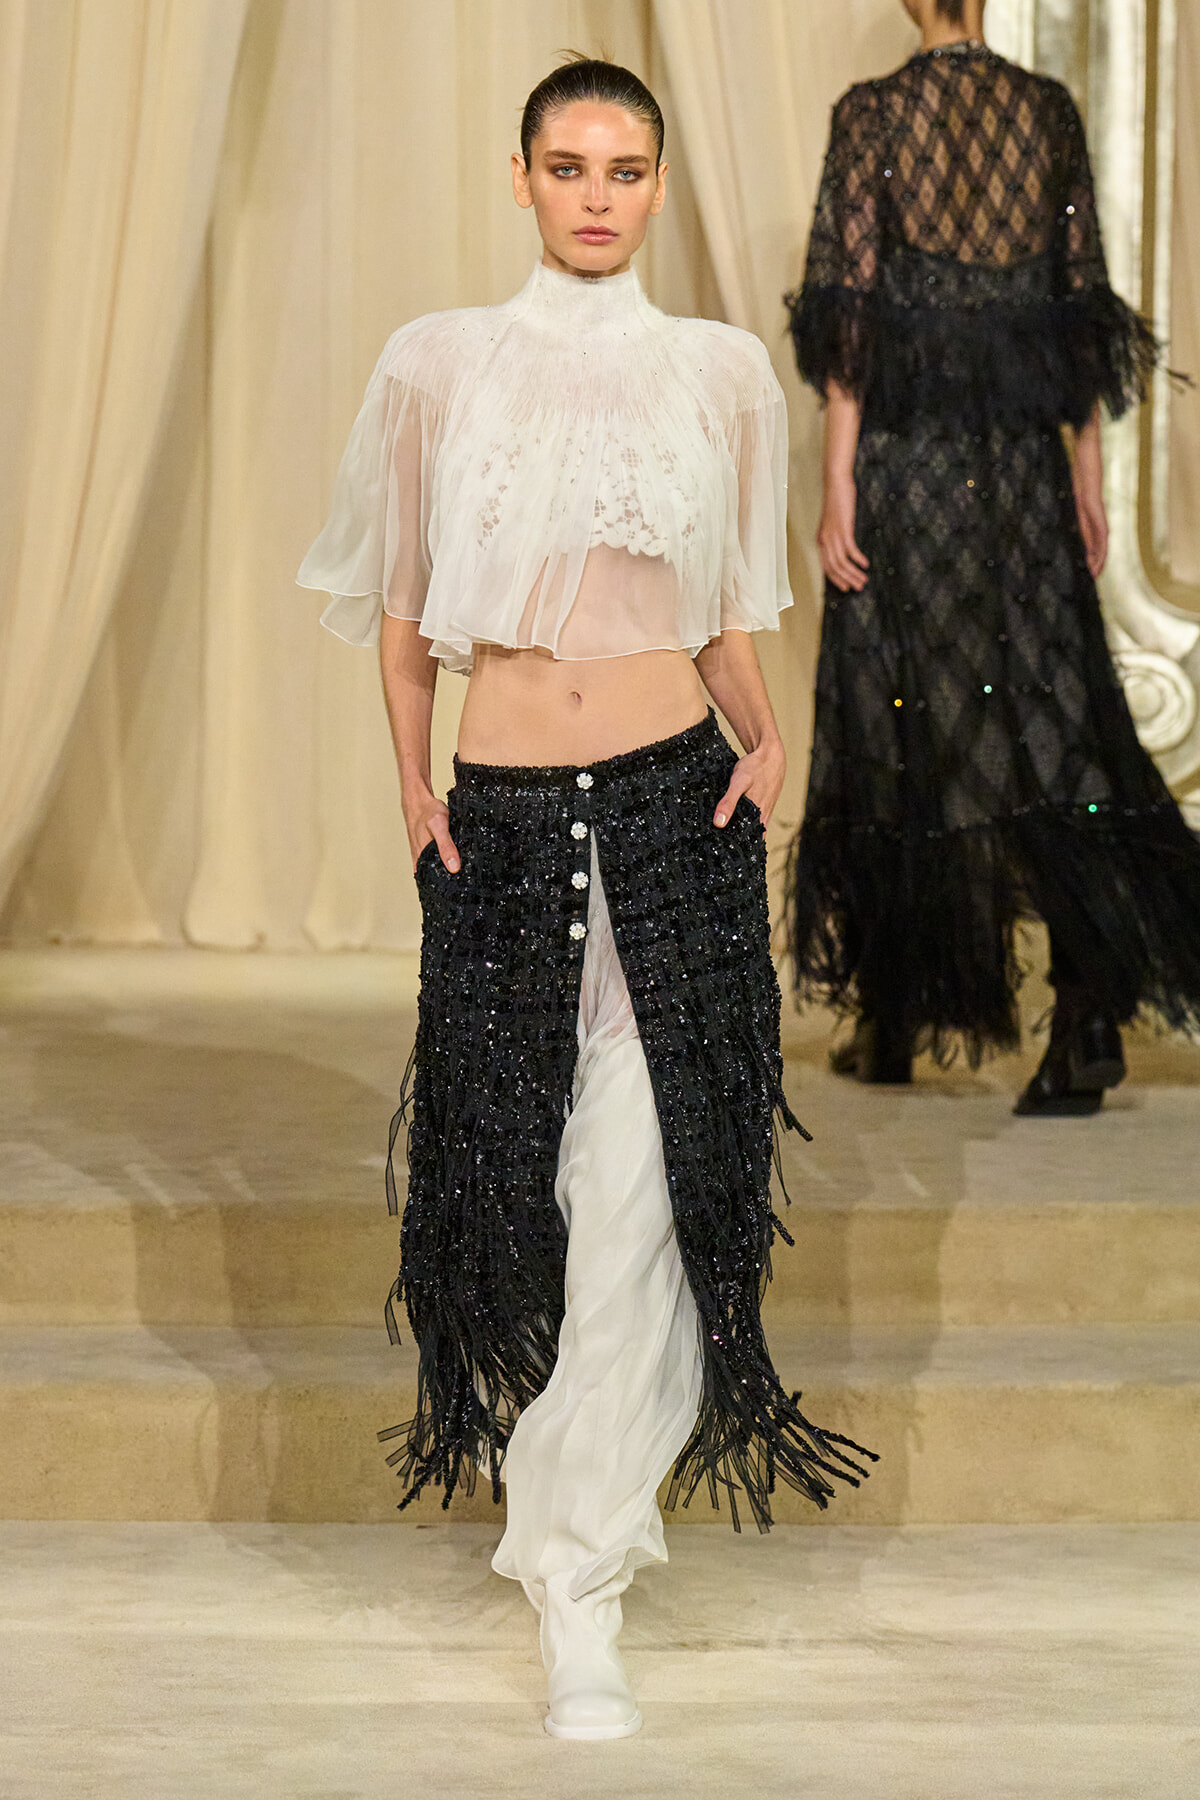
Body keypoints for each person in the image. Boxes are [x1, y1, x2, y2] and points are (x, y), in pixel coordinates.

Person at [299, 56, 873, 1742]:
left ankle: (579, 1583)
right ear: (521, 176)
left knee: (639, 1195)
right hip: (501, 821)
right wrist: (413, 787)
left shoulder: (718, 376)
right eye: (569, 164)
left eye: (627, 165)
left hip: (677, 812)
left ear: (662, 179)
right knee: (513, 1187)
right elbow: (404, 612)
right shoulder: (438, 364)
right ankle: (568, 1533)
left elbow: (728, 617)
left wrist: (773, 750)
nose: (599, 192)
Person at [786, 0, 1200, 1112]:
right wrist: (1085, 471)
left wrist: (835, 482)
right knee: (1045, 722)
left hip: (909, 470)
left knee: (895, 714)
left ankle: (892, 1011)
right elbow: (1079, 313)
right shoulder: (1048, 112)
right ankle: (1081, 1002)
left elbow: (851, 323)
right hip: (1020, 469)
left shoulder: (872, 117)